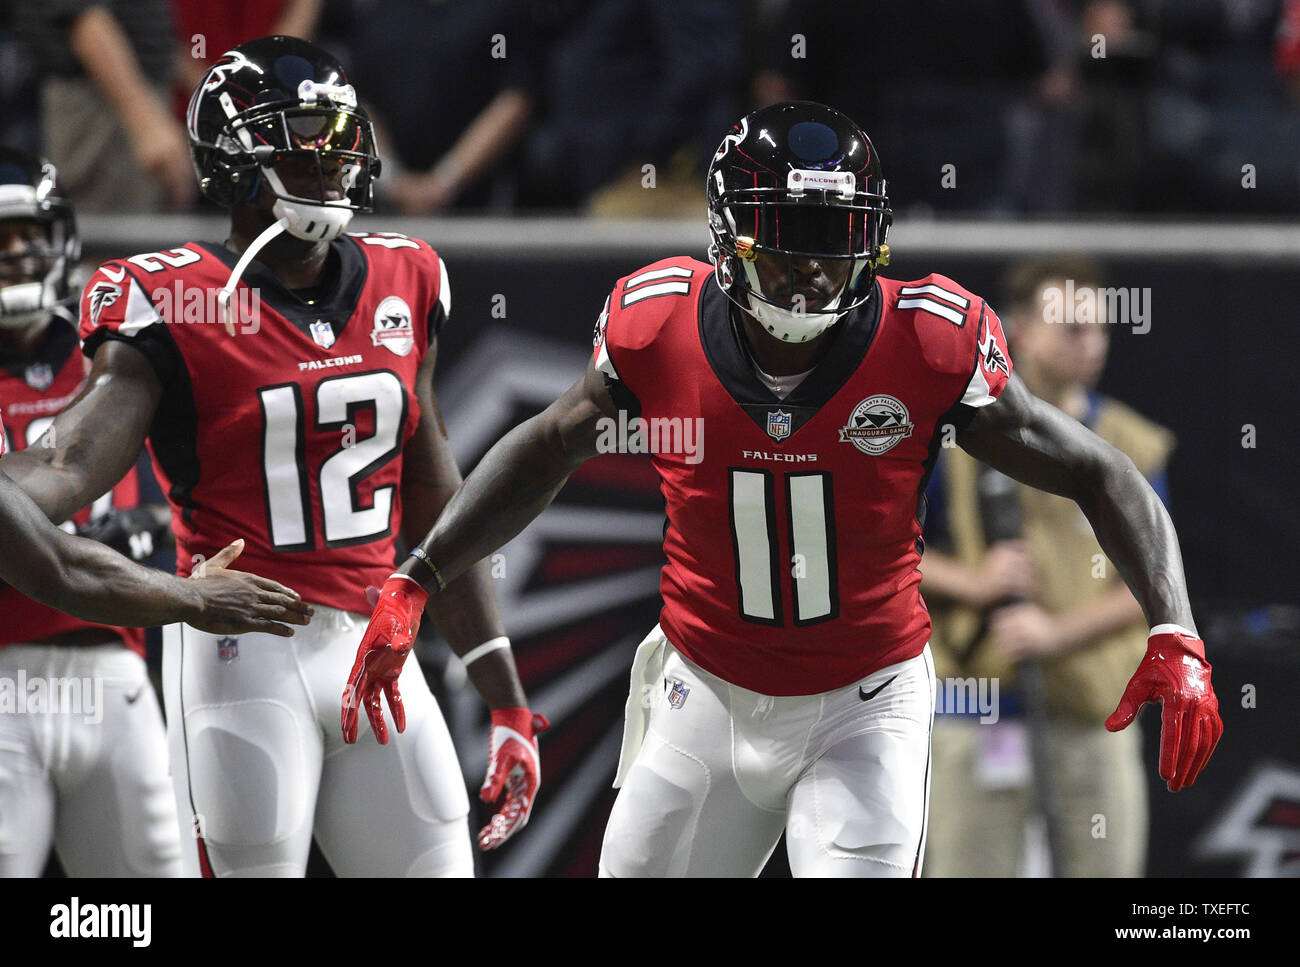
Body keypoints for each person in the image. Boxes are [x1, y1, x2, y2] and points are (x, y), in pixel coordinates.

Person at [345, 101, 1222, 878]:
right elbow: (544, 449)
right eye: (786, 233)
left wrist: (1174, 626)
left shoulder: (926, 340)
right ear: (728, 234)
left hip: (864, 705)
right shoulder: (657, 325)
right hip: (705, 691)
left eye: (831, 235)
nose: (808, 267)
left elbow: (1101, 469)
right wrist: (415, 576)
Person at [0, 36, 543, 877]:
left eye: (338, 135)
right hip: (240, 646)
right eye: (302, 136)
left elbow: (437, 491)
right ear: (235, 157)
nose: (330, 160)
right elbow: (67, 466)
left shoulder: (408, 275)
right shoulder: (172, 301)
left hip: (373, 641)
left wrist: (500, 685)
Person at [0, 148, 311, 877]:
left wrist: (133, 538)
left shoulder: (121, 357)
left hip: (119, 669)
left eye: (25, 234)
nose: (13, 254)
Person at [919, 255, 1173, 876]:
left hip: (1091, 711)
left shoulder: (1129, 444)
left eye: (1101, 329)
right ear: (1022, 332)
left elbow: (1154, 581)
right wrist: (973, 583)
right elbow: (880, 544)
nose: (1093, 344)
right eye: (1073, 328)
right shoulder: (950, 433)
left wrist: (1057, 633)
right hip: (977, 709)